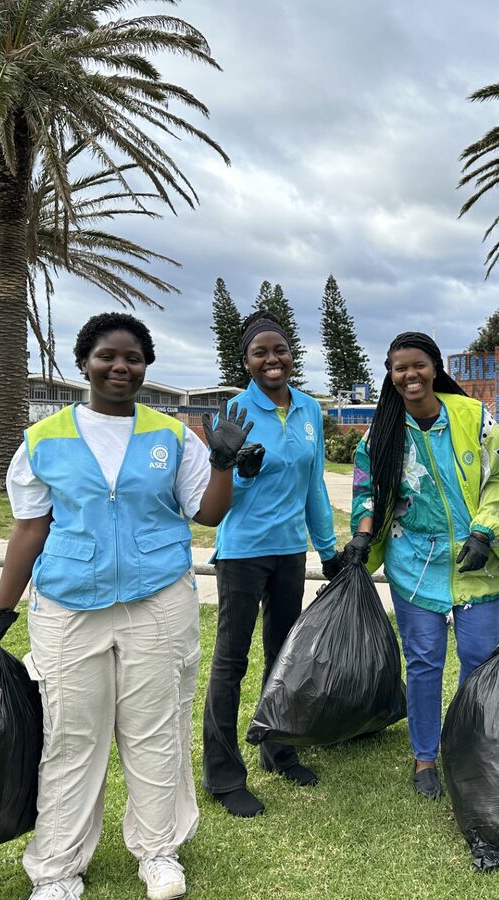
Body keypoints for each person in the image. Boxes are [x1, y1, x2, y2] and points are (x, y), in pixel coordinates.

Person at [0, 312, 251, 900]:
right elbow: (30, 529)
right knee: (72, 738)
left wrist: (222, 464)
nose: (120, 366)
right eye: (107, 356)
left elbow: (209, 514)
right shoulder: (43, 440)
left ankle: (159, 852)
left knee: (157, 730)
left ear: (146, 366)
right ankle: (57, 868)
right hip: (71, 608)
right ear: (84, 363)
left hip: (158, 603)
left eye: (133, 358)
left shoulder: (171, 435)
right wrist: (1, 612)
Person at [344, 331, 499, 800]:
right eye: (399, 368)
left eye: (417, 365)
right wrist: (361, 536)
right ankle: (425, 757)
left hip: (475, 559)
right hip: (414, 561)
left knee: (479, 660)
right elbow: (365, 489)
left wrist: (484, 531)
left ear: (435, 367)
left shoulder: (473, 417)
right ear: (390, 375)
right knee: (423, 663)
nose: (409, 375)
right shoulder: (380, 431)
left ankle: (471, 746)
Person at [201, 310, 342, 819]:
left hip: (288, 553)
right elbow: (216, 495)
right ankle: (222, 774)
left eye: (278, 350)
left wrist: (327, 551)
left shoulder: (307, 410)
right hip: (241, 554)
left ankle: (278, 749)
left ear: (291, 354)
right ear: (246, 361)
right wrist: (243, 473)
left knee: (283, 658)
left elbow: (314, 487)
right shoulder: (235, 413)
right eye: (259, 352)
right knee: (231, 663)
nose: (271, 359)